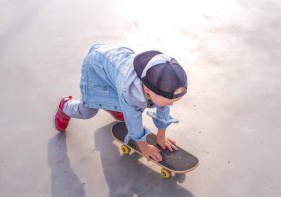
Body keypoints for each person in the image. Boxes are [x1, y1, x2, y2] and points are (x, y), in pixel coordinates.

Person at [54, 44, 188, 162]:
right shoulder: (130, 92)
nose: (171, 105)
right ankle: (65, 106)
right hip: (97, 66)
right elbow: (133, 121)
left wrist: (161, 137)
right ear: (147, 89)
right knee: (88, 111)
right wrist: (144, 147)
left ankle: (112, 106)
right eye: (168, 101)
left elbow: (163, 108)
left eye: (175, 100)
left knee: (124, 101)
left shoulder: (161, 85)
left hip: (115, 65)